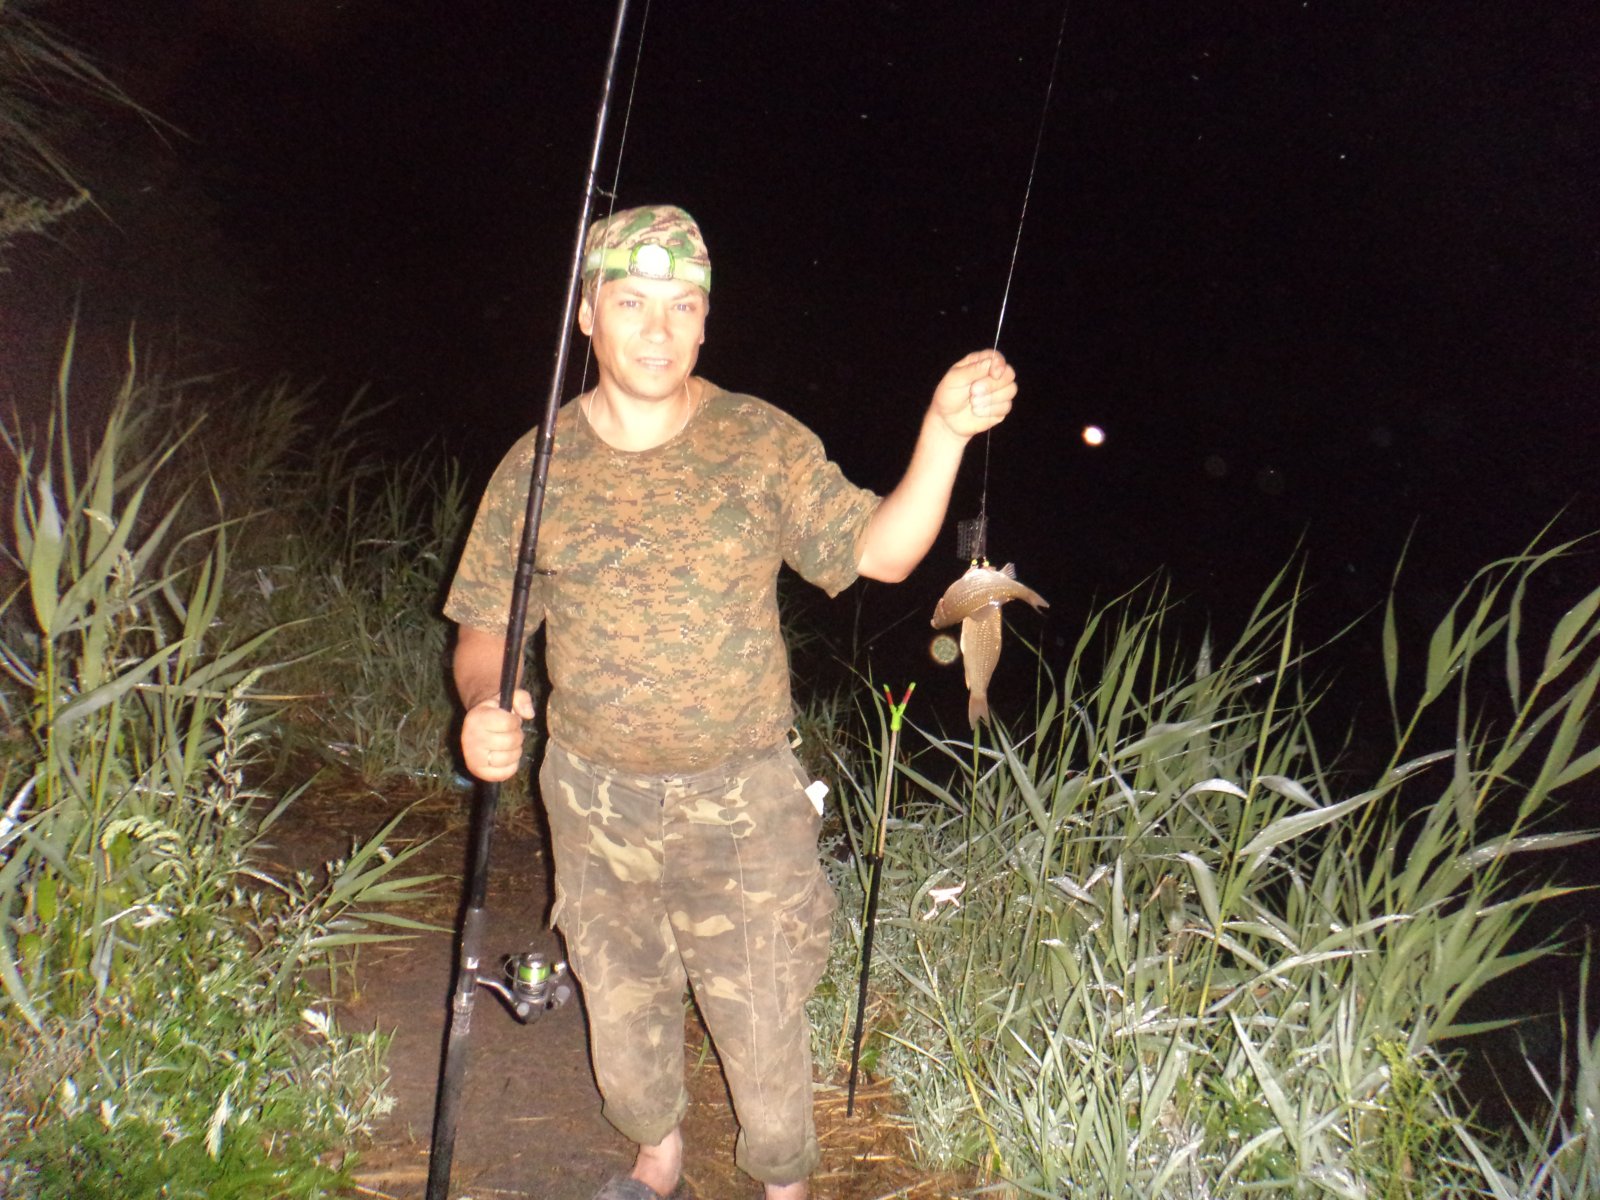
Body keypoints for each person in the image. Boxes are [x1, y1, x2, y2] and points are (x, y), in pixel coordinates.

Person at [444, 205, 1016, 1200]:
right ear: (587, 314)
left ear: (706, 322)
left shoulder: (758, 441)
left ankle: (783, 1183)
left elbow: (880, 552)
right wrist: (483, 704)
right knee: (620, 999)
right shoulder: (535, 468)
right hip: (593, 797)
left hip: (742, 795)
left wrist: (943, 431)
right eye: (631, 302)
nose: (657, 328)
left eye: (681, 305)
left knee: (762, 1011)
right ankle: (655, 1153)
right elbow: (486, 626)